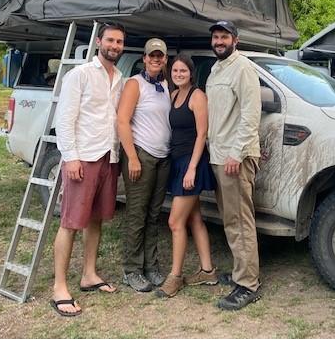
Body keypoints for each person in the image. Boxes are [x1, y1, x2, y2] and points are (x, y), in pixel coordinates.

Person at [51, 22, 126, 317]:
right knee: (71, 221)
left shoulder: (120, 78)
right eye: (110, 40)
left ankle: (89, 274)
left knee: (97, 219)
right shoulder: (79, 75)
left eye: (120, 42)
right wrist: (70, 157)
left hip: (109, 156)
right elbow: (65, 118)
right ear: (99, 42)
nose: (115, 46)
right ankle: (59, 286)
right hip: (83, 158)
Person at [206, 20, 262, 311]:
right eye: (216, 37)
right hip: (218, 156)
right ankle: (242, 273)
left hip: (234, 159)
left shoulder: (243, 68)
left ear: (235, 40)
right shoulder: (217, 70)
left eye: (224, 36)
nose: (219, 41)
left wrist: (236, 154)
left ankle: (248, 285)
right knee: (230, 220)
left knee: (240, 221)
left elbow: (251, 115)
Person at [155, 54, 218, 298]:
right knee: (194, 219)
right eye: (175, 71)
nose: (179, 74)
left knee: (174, 222)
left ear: (191, 73)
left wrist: (192, 168)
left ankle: (175, 277)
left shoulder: (197, 96)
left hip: (191, 164)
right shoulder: (173, 95)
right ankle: (207, 270)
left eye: (183, 71)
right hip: (177, 161)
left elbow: (202, 134)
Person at [117, 37, 172, 292]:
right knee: (136, 214)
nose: (155, 59)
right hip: (141, 155)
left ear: (165, 59)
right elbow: (122, 121)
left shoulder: (165, 84)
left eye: (160, 56)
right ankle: (131, 269)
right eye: (152, 55)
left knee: (153, 215)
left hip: (162, 157)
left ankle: (151, 265)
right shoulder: (134, 84)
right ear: (144, 57)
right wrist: (133, 157)